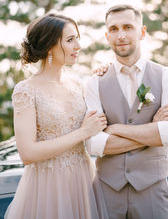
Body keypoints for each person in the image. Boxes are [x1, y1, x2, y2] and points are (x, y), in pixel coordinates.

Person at [5, 13, 109, 219]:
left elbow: (103, 121)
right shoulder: (26, 90)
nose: (78, 45)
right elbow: (28, 153)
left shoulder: (79, 85)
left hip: (82, 181)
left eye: (77, 38)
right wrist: (82, 133)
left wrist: (106, 76)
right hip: (47, 186)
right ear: (50, 45)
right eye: (70, 40)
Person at [84, 4, 168, 219]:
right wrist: (152, 132)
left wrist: (116, 129)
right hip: (106, 191)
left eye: (128, 27)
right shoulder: (94, 83)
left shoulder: (167, 76)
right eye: (114, 29)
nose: (121, 35)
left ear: (142, 32)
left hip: (152, 191)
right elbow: (94, 143)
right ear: (107, 36)